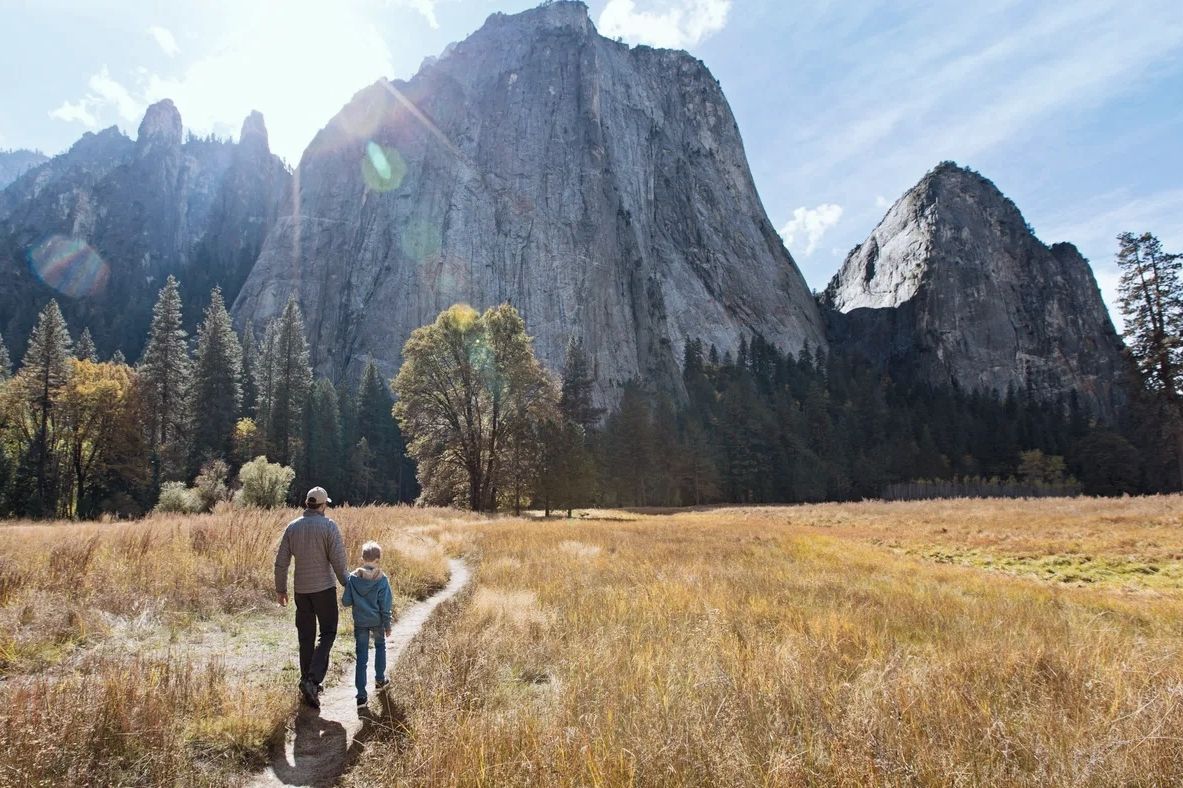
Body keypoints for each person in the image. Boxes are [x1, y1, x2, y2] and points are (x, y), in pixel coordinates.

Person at [274, 486, 347, 709]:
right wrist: (349, 586)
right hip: (324, 589)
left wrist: (281, 589)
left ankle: (307, 681)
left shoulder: (292, 527)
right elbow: (338, 561)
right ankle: (312, 680)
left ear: (307, 503)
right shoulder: (328, 526)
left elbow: (281, 561)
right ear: (323, 505)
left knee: (306, 636)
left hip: (301, 591)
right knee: (328, 633)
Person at [341, 540, 394, 709]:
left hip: (360, 622)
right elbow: (385, 605)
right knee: (380, 647)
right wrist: (387, 624)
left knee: (361, 657)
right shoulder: (382, 580)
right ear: (378, 559)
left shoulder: (353, 579)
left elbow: (346, 601)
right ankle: (380, 680)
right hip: (377, 622)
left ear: (362, 558)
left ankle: (361, 697)